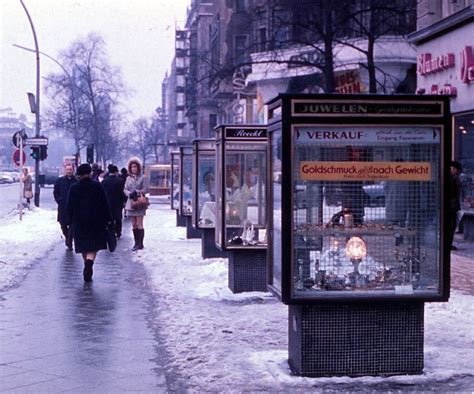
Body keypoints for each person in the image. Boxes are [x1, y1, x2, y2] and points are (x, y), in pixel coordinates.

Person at [66, 163, 112, 282]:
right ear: (90, 173)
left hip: (79, 222)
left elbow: (68, 206)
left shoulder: (74, 188)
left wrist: (69, 221)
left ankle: (87, 264)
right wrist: (109, 219)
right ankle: (89, 263)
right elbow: (105, 204)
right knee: (93, 246)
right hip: (96, 222)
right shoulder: (97, 186)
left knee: (83, 246)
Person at [124, 157, 149, 251]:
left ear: (138, 167)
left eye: (135, 166)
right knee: (133, 224)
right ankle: (136, 243)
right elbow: (125, 189)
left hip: (139, 202)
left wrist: (137, 192)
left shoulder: (143, 177)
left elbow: (146, 189)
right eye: (132, 167)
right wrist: (129, 194)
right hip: (130, 202)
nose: (133, 168)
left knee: (139, 223)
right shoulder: (128, 178)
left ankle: (140, 243)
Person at [53, 163, 78, 250]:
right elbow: (56, 192)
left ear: (73, 170)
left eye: (70, 170)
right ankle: (67, 237)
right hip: (63, 207)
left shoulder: (76, 181)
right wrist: (59, 200)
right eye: (67, 170)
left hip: (74, 208)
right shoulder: (60, 181)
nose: (69, 171)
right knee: (63, 225)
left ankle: (69, 241)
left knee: (72, 225)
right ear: (65, 170)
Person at [102, 165, 125, 239]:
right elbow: (122, 192)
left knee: (109, 218)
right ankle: (118, 232)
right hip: (118, 202)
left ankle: (110, 231)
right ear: (116, 172)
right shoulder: (120, 181)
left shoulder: (104, 181)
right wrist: (124, 201)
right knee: (118, 218)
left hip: (107, 202)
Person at [448, 160, 462, 251]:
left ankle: (448, 244)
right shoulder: (451, 179)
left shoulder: (453, 178)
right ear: (452, 168)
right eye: (457, 170)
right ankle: (448, 244)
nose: (457, 172)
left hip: (452, 207)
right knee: (450, 226)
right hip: (450, 208)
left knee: (452, 226)